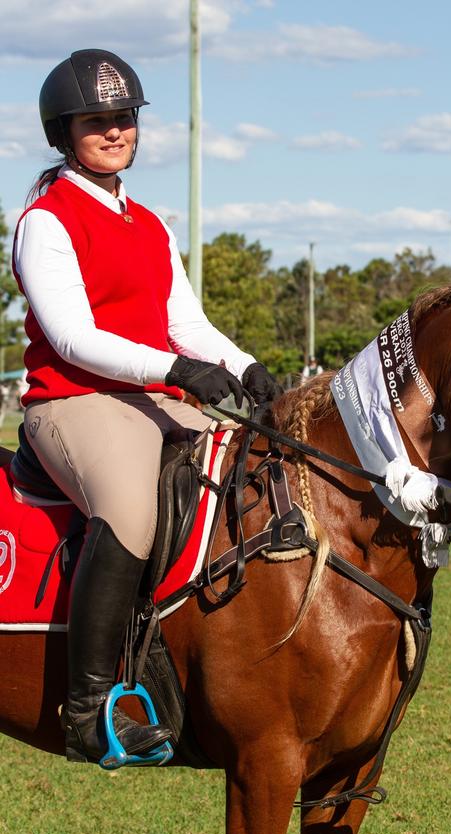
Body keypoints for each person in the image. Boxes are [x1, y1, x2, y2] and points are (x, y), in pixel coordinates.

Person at [12, 49, 281, 763]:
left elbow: (187, 324)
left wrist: (245, 366)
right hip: (74, 402)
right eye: (96, 120)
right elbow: (73, 337)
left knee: (251, 472)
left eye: (123, 118)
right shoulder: (46, 220)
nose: (114, 131)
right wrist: (179, 370)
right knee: (130, 512)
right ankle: (89, 706)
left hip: (153, 397)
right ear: (63, 131)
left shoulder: (151, 224)